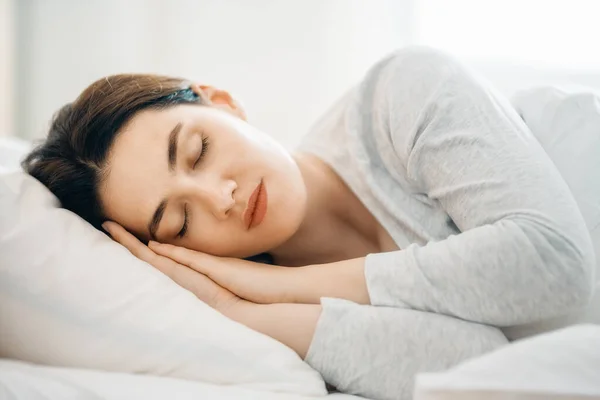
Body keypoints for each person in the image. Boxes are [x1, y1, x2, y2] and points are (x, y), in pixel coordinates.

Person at [23, 46, 595, 400]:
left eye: (198, 150)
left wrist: (277, 287)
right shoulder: (283, 324)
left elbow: (553, 264)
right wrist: (235, 313)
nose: (219, 196)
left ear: (220, 102)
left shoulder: (399, 94)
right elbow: (483, 366)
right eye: (178, 222)